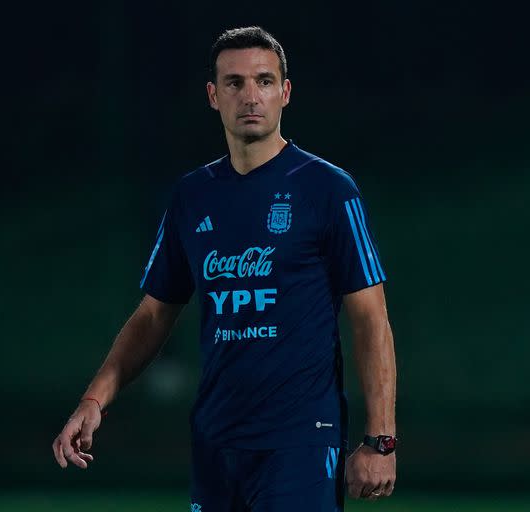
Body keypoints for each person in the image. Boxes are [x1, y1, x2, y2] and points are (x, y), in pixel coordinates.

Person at [52, 26, 397, 511]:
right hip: (216, 443)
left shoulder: (328, 190)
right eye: (234, 83)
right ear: (214, 96)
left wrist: (381, 440)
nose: (250, 95)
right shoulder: (193, 197)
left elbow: (370, 317)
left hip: (298, 442)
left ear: (286, 92)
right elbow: (153, 314)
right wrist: (93, 401)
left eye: (264, 80)